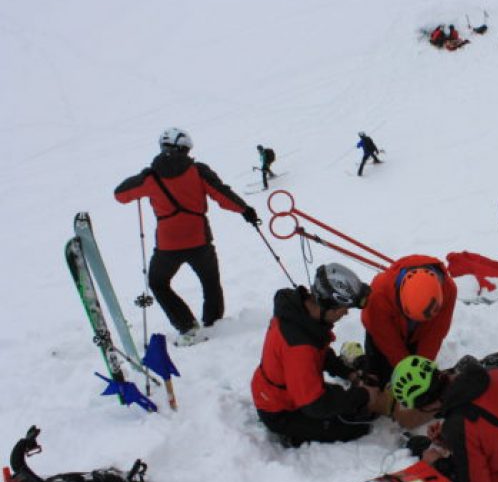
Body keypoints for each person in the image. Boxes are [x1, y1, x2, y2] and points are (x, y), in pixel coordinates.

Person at [114, 128, 259, 346]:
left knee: (158, 282)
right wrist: (245, 210)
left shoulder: (151, 178)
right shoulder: (197, 171)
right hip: (199, 240)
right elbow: (221, 193)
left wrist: (144, 177)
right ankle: (214, 326)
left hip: (167, 245)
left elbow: (120, 195)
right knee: (210, 282)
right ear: (183, 148)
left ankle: (186, 325)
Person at [252, 263, 388, 447]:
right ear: (328, 307)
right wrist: (364, 395)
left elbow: (320, 353)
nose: (345, 312)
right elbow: (315, 404)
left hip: (288, 390)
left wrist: (349, 374)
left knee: (347, 401)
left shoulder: (301, 317)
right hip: (280, 410)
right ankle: (292, 434)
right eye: (343, 308)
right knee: (358, 425)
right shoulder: (299, 347)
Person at [360, 255, 457, 387]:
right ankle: (356, 360)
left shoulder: (448, 290)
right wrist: (406, 368)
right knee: (380, 379)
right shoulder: (379, 293)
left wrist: (421, 368)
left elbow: (434, 334)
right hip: (383, 333)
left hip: (415, 336)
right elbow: (386, 338)